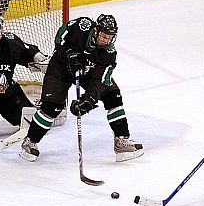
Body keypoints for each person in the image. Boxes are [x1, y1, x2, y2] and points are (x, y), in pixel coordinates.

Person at [19, 14, 144, 162]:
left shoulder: (109, 54)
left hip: (86, 71)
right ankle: (30, 141)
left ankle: (121, 141)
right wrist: (66, 51)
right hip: (60, 68)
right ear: (96, 30)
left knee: (113, 96)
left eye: (110, 37)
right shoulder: (83, 26)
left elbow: (100, 80)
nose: (106, 40)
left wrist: (88, 100)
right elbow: (61, 35)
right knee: (51, 108)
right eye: (104, 36)